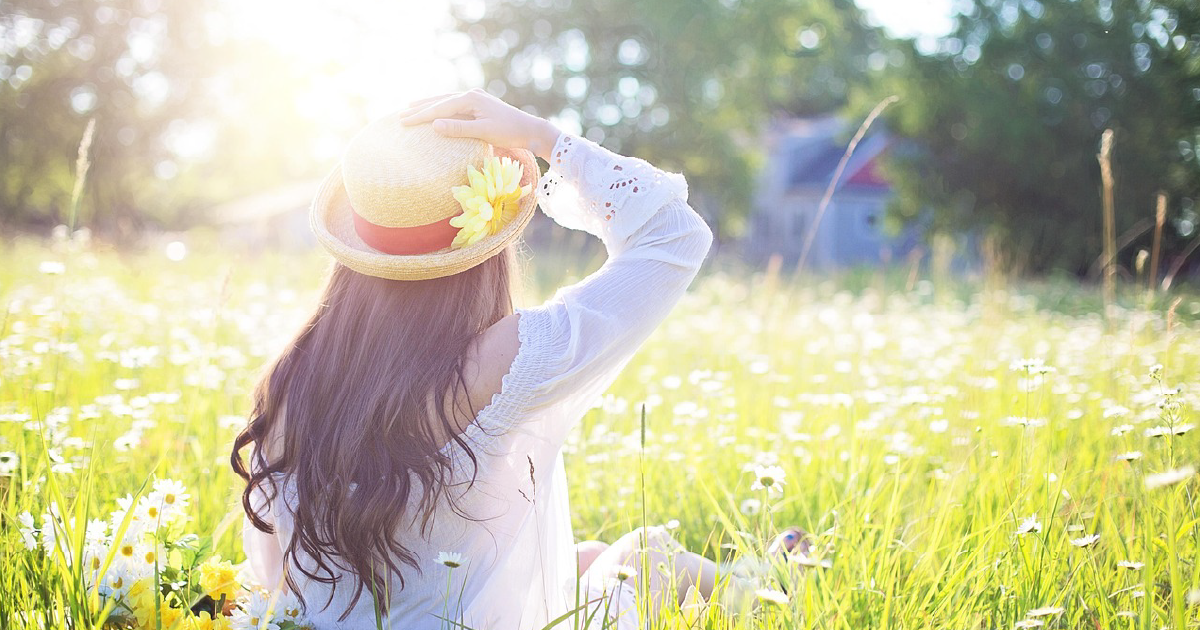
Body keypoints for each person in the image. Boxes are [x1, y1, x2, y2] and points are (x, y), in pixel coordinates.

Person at [230, 89, 774, 629]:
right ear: (487, 246)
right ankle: (774, 587)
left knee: (587, 557)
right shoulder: (501, 360)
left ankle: (762, 573)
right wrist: (542, 137)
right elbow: (676, 234)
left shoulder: (292, 376)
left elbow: (275, 576)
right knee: (646, 555)